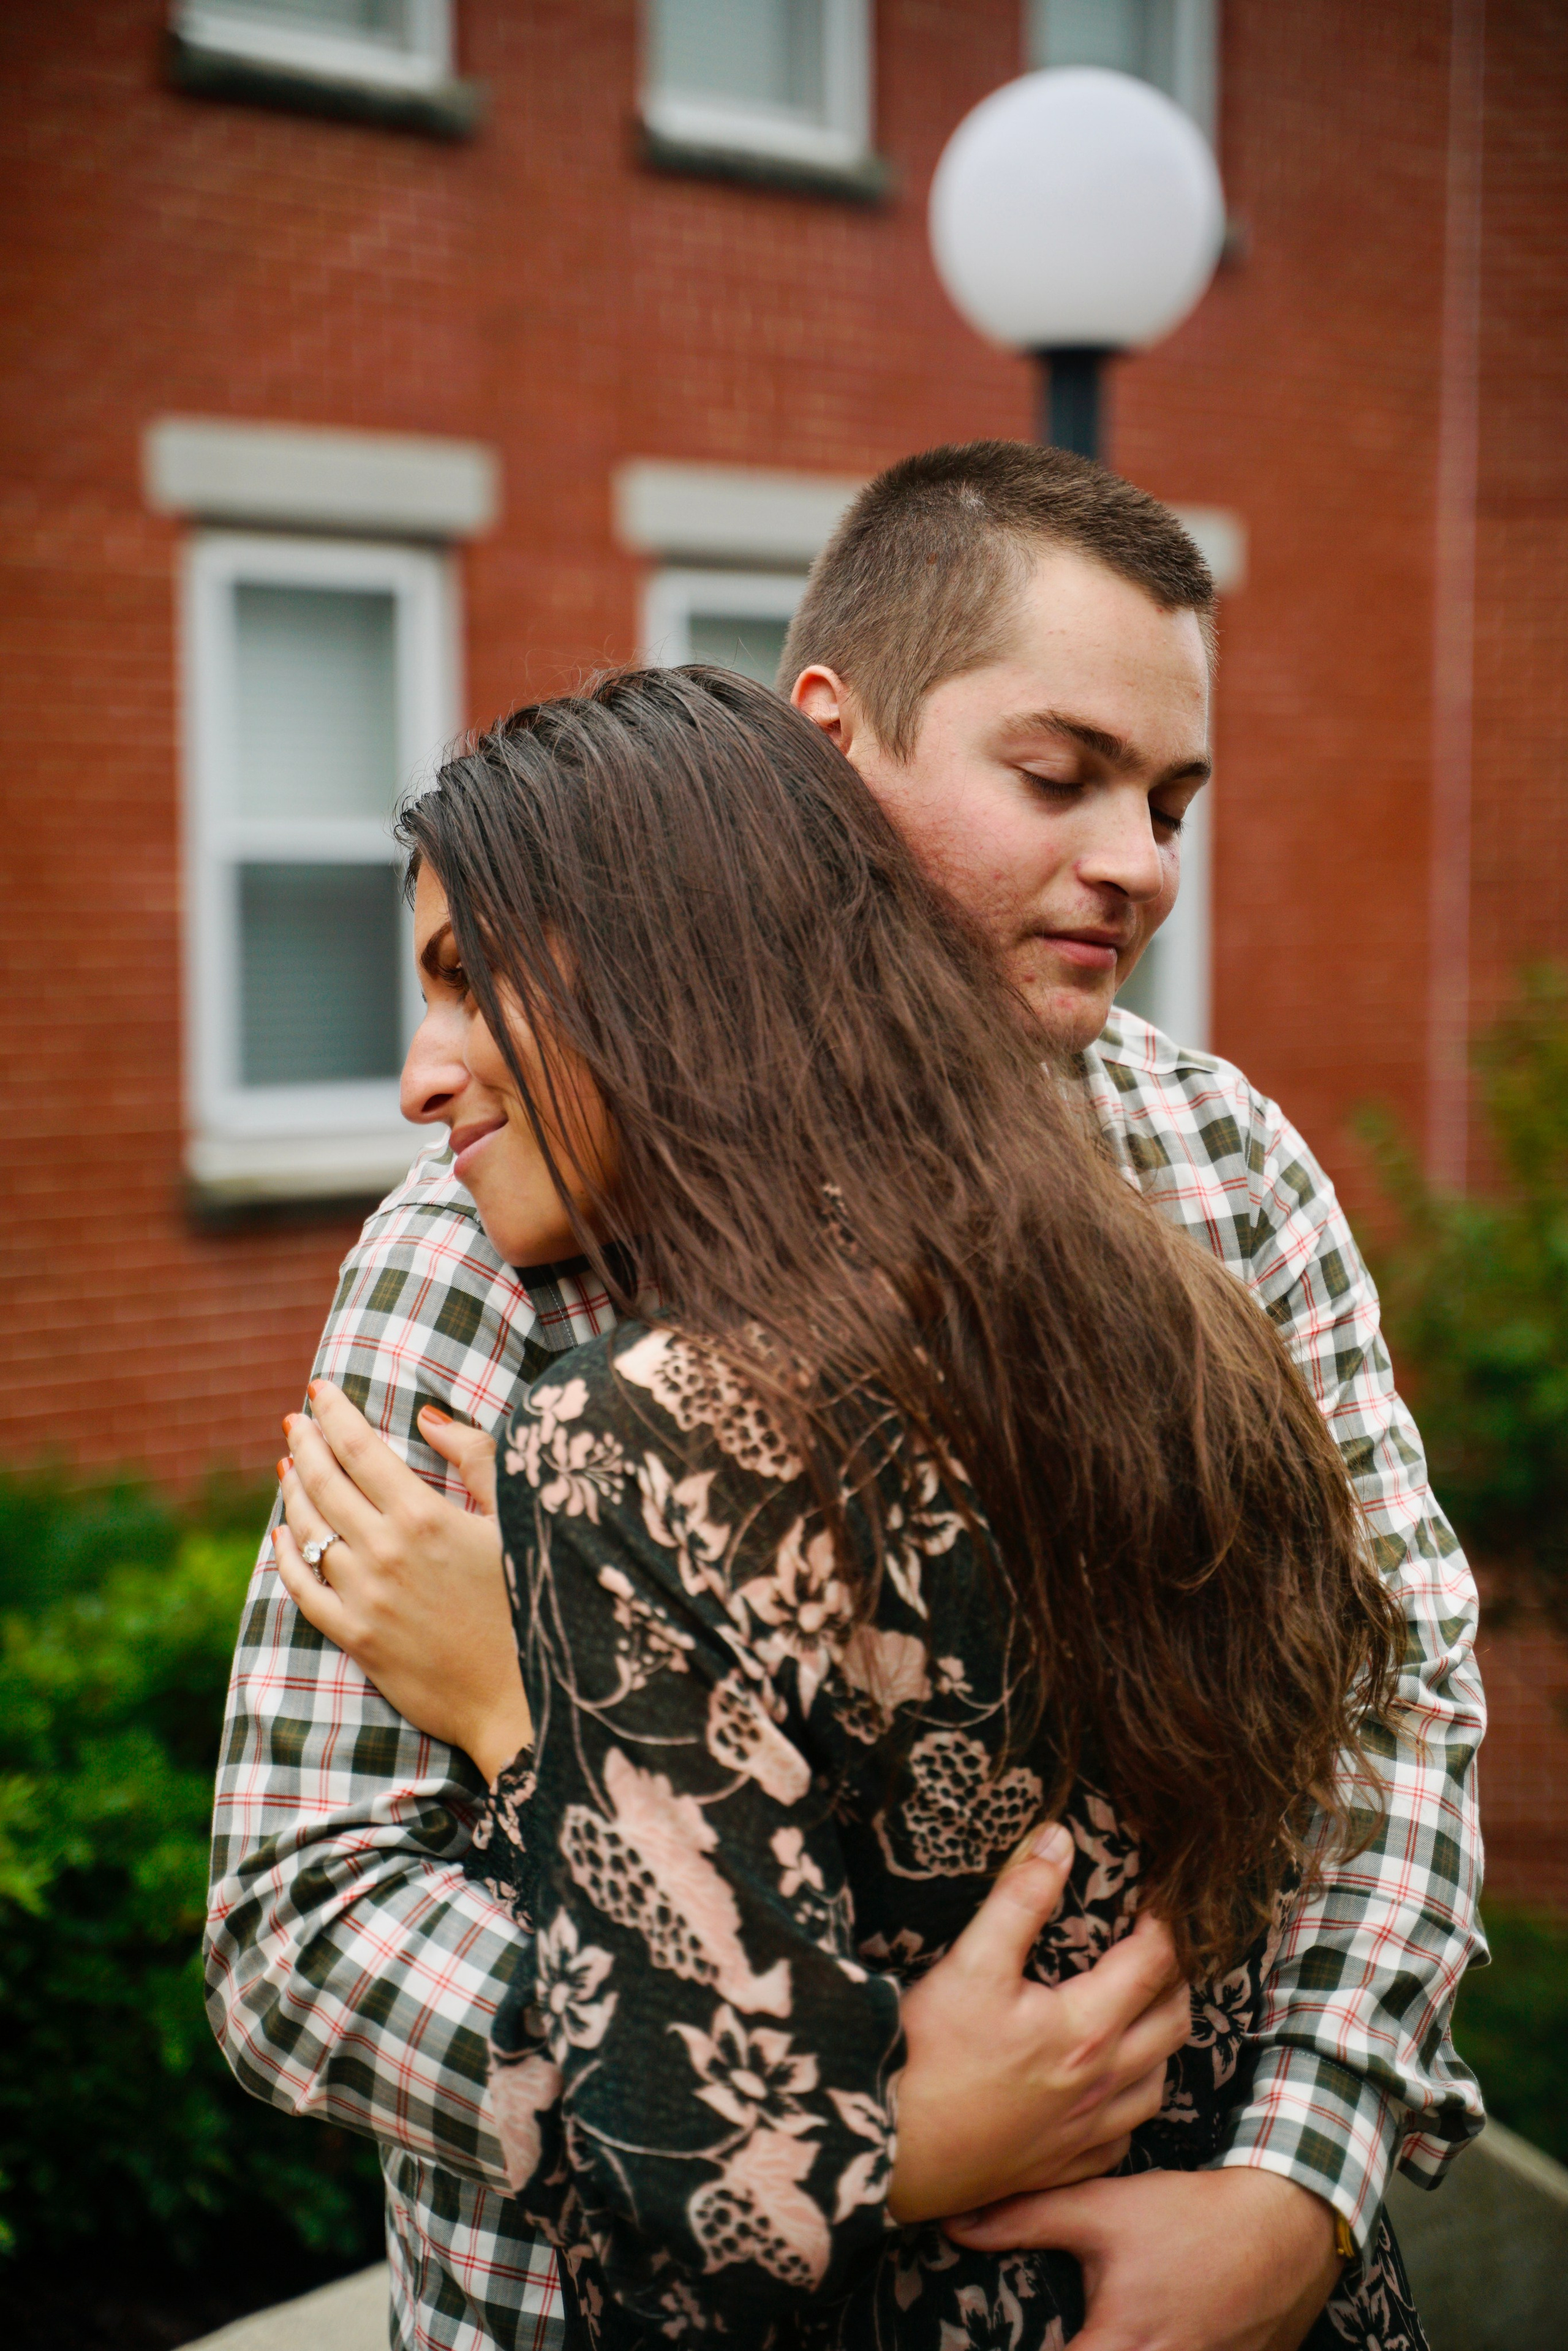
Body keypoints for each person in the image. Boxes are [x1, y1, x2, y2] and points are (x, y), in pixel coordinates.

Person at [205, 444, 1484, 2351]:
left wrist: (1304, 2171)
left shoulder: (1213, 1173)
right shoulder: (480, 1242)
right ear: (836, 740)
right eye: (1059, 776)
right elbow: (298, 1929)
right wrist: (873, 2124)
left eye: (1173, 798)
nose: (1140, 857)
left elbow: (1391, 1698)